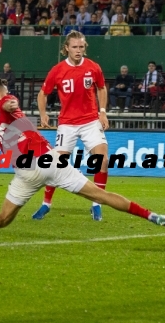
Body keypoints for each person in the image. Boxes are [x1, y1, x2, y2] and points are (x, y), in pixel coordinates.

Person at [0, 70, 165, 243]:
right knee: (100, 195)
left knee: (4, 218)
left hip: (24, 172)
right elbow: (9, 103)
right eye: (5, 93)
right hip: (47, 160)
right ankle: (153, 216)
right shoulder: (5, 103)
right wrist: (9, 102)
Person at [32, 30, 109, 221]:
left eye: (81, 47)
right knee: (56, 164)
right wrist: (43, 113)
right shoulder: (57, 70)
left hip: (90, 121)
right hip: (67, 123)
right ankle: (46, 204)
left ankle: (97, 204)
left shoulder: (93, 67)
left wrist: (102, 112)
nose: (78, 50)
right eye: (74, 47)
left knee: (103, 160)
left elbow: (101, 87)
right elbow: (42, 94)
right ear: (66, 48)